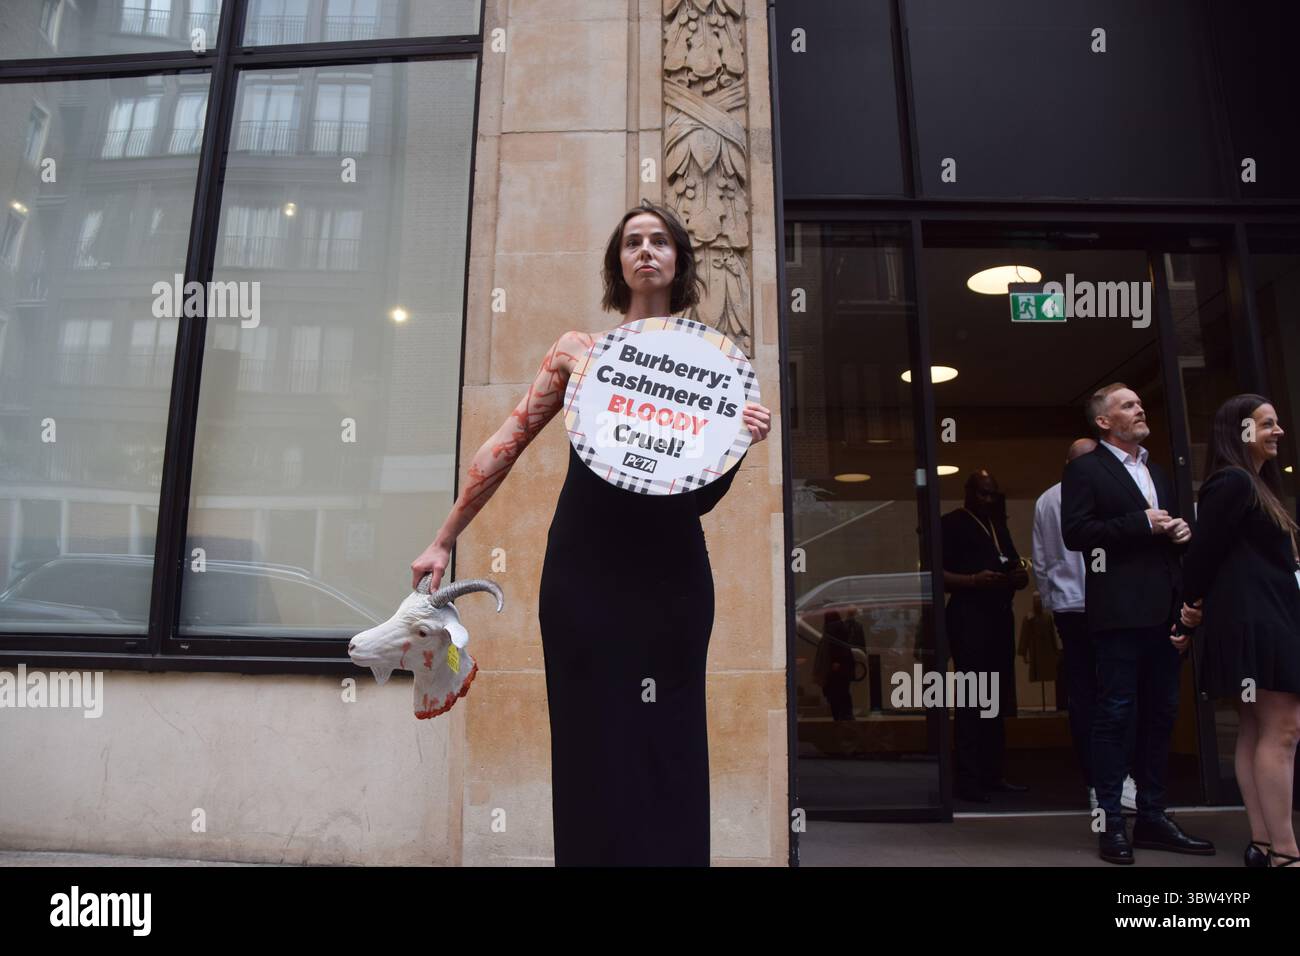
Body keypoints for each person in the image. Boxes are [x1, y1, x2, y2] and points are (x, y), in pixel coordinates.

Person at [409, 200, 772, 866]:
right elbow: (507, 443)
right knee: (589, 736)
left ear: (679, 261)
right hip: (583, 574)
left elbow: (703, 498)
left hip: (670, 577)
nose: (645, 250)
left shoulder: (714, 369)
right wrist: (444, 537)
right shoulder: (579, 352)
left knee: (669, 736)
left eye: (659, 240)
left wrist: (741, 442)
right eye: (632, 241)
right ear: (618, 264)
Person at [1061, 383, 1214, 864]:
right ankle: (1110, 824)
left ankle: (1151, 815)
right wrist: (1141, 523)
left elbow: (1165, 536)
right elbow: (1077, 533)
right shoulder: (1086, 469)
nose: (1139, 408)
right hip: (1119, 613)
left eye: (1139, 403)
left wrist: (1181, 535)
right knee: (1115, 715)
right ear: (1104, 421)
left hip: (1165, 613)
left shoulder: (1156, 470)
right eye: (1127, 405)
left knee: (1161, 713)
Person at [1174, 394, 1300, 868]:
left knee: (1258, 726)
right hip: (1257, 620)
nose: (1278, 431)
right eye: (1268, 423)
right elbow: (1204, 554)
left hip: (1261, 615)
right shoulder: (1232, 482)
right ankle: (1285, 851)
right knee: (1284, 729)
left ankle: (1266, 844)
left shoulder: (1252, 483)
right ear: (1242, 431)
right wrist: (1188, 610)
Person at [1032, 437, 1139, 812]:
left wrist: (1050, 603)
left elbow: (1041, 559)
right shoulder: (1103, 491)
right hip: (1104, 604)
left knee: (1084, 694)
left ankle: (1097, 781)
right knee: (1118, 691)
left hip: (1069, 607)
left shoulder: (1047, 499)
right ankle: (1118, 779)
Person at [941, 469, 1029, 802]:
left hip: (999, 618)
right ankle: (967, 779)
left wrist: (1017, 576)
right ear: (968, 492)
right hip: (969, 617)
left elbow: (1010, 562)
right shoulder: (951, 523)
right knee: (971, 697)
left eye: (992, 494)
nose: (987, 500)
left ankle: (993, 774)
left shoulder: (998, 524)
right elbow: (935, 573)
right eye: (982, 493)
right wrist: (973, 581)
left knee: (995, 698)